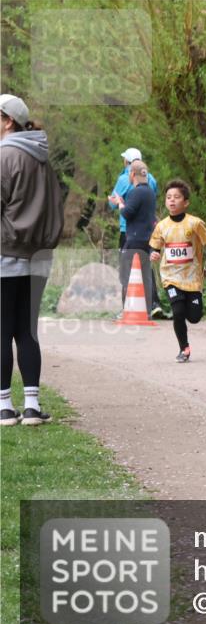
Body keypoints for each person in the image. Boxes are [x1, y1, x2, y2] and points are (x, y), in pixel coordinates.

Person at [0, 94, 65, 425]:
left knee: (2, 331)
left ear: (7, 121)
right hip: (39, 256)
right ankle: (32, 406)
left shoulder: (4, 156)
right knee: (27, 332)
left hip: (5, 254)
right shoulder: (43, 158)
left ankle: (3, 406)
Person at [149, 179, 206, 363]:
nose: (172, 200)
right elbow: (154, 247)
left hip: (192, 278)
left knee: (194, 317)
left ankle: (191, 305)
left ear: (186, 202)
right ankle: (184, 348)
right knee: (177, 311)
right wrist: (153, 254)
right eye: (169, 197)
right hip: (170, 276)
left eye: (176, 197)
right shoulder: (161, 226)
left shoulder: (195, 223)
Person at [108, 147, 164, 318]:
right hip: (148, 232)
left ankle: (127, 308)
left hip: (130, 232)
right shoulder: (151, 180)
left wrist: (118, 203)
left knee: (127, 270)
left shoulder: (124, 179)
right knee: (146, 269)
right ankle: (152, 304)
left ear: (128, 164)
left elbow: (119, 207)